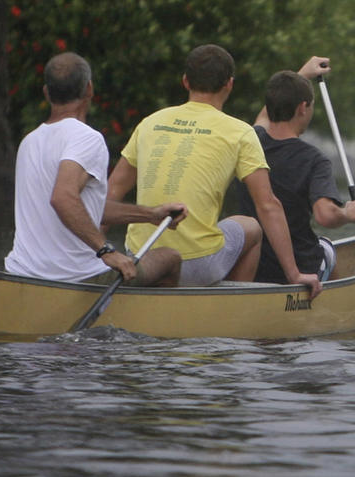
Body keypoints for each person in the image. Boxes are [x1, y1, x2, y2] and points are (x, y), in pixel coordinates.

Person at [107, 44, 322, 297]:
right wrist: (294, 274)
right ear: (229, 85)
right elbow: (268, 205)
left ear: (185, 81)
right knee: (251, 226)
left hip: (140, 259)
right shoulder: (240, 132)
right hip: (197, 267)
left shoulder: (149, 123)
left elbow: (111, 191)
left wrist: (99, 253)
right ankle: (231, 304)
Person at [5, 52, 186, 286]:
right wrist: (106, 251)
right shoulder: (88, 138)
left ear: (46, 93)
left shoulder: (29, 141)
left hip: (20, 272)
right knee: (170, 258)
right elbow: (63, 199)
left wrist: (151, 215)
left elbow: (82, 208)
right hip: (78, 277)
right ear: (89, 89)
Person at [232, 60, 355, 285]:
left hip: (252, 263)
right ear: (303, 108)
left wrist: (302, 75)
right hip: (298, 268)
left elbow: (264, 117)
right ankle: (329, 301)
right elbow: (325, 216)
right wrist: (348, 212)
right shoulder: (314, 160)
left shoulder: (251, 141)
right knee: (327, 249)